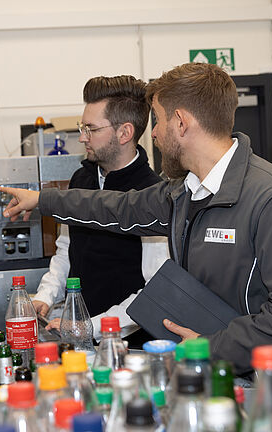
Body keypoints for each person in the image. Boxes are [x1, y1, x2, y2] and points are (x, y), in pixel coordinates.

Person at [0, 63, 272, 406]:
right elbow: (116, 208)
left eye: (157, 120)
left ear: (181, 122)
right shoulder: (184, 194)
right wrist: (43, 200)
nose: (154, 133)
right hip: (218, 383)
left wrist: (211, 347)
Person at [32, 75, 168, 346]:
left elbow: (154, 291)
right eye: (82, 127)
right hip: (79, 339)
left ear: (124, 133)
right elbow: (66, 249)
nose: (82, 137)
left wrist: (91, 327)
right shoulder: (81, 180)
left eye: (91, 129)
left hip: (129, 347)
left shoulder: (152, 195)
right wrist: (45, 295)